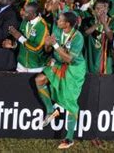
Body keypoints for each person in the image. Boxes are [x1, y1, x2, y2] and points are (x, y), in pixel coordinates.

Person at [35, 11, 86, 149]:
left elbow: (69, 59)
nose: (57, 21)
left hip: (74, 69)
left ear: (67, 24)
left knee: (70, 102)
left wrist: (55, 45)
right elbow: (48, 49)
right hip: (58, 64)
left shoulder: (77, 37)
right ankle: (50, 111)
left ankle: (69, 138)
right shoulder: (57, 30)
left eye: (60, 20)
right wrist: (47, 44)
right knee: (39, 80)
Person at [5, 2, 49, 73]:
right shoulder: (25, 21)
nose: (22, 13)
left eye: (26, 12)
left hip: (35, 66)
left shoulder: (43, 27)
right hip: (21, 64)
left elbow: (37, 48)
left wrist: (19, 37)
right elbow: (19, 40)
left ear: (33, 14)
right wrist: (13, 44)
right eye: (23, 10)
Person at [83, 0, 114, 74]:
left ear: (108, 9)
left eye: (103, 9)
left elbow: (112, 38)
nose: (100, 11)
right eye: (97, 9)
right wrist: (97, 24)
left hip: (106, 60)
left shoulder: (113, 22)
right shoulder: (88, 21)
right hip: (89, 58)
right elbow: (84, 34)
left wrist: (104, 23)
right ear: (93, 10)